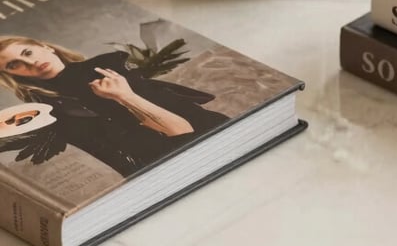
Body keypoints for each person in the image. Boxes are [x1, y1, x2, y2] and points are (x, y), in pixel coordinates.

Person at [0, 36, 228, 176]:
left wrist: (124, 95)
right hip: (158, 171)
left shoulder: (108, 66)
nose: (30, 63)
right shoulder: (48, 110)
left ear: (44, 46)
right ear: (10, 74)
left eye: (27, 52)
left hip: (207, 140)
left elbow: (183, 131)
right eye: (15, 64)